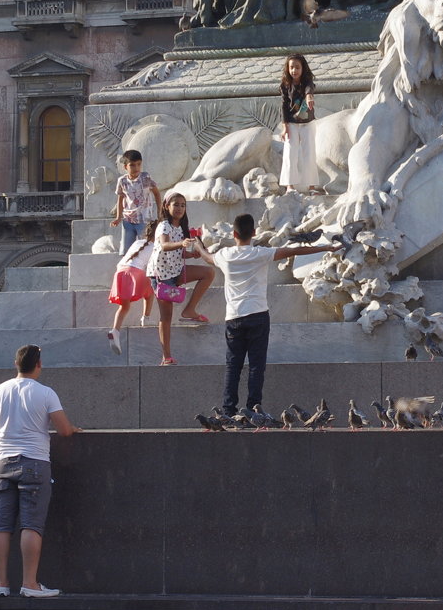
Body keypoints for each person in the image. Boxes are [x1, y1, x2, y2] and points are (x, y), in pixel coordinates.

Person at [194, 213, 340, 416]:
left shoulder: (225, 255)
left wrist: (197, 245)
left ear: (234, 233)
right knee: (256, 366)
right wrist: (326, 247)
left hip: (234, 317)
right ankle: (254, 409)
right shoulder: (261, 253)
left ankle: (228, 411)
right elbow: (294, 250)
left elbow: (206, 256)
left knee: (233, 366)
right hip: (258, 315)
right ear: (253, 233)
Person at [0, 344, 81, 598]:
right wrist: (74, 429)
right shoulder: (45, 393)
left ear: (16, 364)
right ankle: (30, 584)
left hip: (2, 463)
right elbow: (64, 430)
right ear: (39, 365)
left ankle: (1, 585)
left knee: (0, 525)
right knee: (31, 525)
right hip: (34, 462)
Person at [147, 192, 215, 366]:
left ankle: (190, 310)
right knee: (166, 316)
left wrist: (191, 253)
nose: (179, 208)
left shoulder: (181, 228)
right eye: (176, 204)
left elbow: (178, 251)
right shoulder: (164, 225)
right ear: (166, 206)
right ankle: (166, 356)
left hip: (176, 270)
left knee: (208, 273)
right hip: (161, 274)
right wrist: (182, 244)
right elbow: (164, 245)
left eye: (183, 205)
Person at [107, 221, 157, 355]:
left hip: (120, 272)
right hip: (134, 272)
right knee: (151, 289)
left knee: (124, 307)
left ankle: (115, 331)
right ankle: (146, 318)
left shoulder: (137, 243)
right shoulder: (155, 247)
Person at [279, 54, 324, 195]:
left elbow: (309, 89)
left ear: (303, 68)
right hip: (291, 123)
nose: (294, 70)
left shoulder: (307, 82)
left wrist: (309, 96)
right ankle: (289, 186)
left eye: (297, 67)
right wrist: (285, 127)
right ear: (288, 69)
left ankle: (311, 187)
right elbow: (284, 107)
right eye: (291, 67)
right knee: (290, 153)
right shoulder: (285, 85)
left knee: (309, 153)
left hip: (307, 123)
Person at [110, 149, 161, 255]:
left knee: (145, 247)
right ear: (125, 167)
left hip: (144, 219)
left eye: (139, 164)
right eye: (132, 165)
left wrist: (159, 213)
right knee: (126, 250)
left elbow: (156, 193)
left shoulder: (145, 177)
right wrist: (118, 217)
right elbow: (120, 199)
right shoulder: (122, 181)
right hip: (128, 219)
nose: (136, 168)